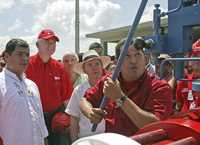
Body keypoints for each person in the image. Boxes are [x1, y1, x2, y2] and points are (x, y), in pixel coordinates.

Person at [80, 37, 173, 136]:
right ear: (116, 62)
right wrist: (90, 113)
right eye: (127, 56)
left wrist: (120, 98)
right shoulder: (109, 81)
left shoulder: (160, 87)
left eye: (137, 54)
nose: (133, 60)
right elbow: (84, 100)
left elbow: (155, 125)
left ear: (146, 59)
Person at [26, 29, 73, 145]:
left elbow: (67, 96)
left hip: (55, 117)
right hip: (33, 116)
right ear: (38, 45)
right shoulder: (27, 64)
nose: (51, 45)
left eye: (53, 43)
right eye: (47, 42)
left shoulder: (60, 68)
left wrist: (69, 118)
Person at [0, 39, 48, 145]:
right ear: (7, 57)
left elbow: (40, 121)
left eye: (27, 54)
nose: (25, 58)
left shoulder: (32, 85)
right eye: (20, 54)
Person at [65, 50, 111, 142]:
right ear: (84, 69)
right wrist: (74, 142)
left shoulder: (111, 86)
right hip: (86, 140)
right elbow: (74, 119)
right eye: (90, 65)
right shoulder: (78, 90)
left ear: (102, 66)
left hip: (108, 139)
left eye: (97, 64)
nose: (94, 68)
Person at [176, 39, 200, 112]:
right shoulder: (183, 81)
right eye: (195, 55)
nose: (197, 59)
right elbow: (178, 104)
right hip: (185, 119)